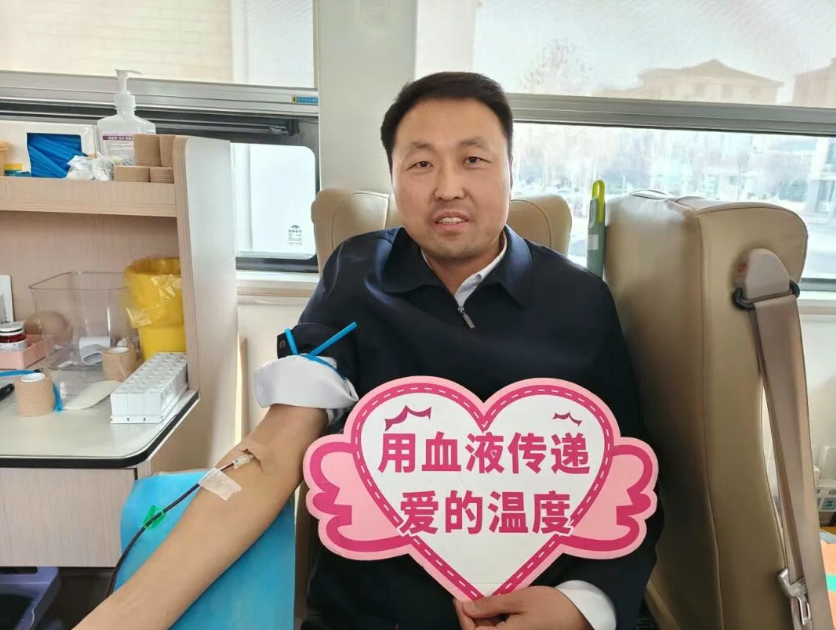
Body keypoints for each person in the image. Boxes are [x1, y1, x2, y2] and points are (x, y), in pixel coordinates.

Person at [76, 71, 660, 630]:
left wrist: (583, 607)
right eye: (421, 163)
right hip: (374, 614)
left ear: (511, 170)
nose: (448, 187)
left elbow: (634, 476)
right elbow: (276, 447)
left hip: (533, 606)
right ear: (394, 177)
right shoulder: (356, 275)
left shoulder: (582, 300)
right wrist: (125, 617)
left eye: (473, 159)